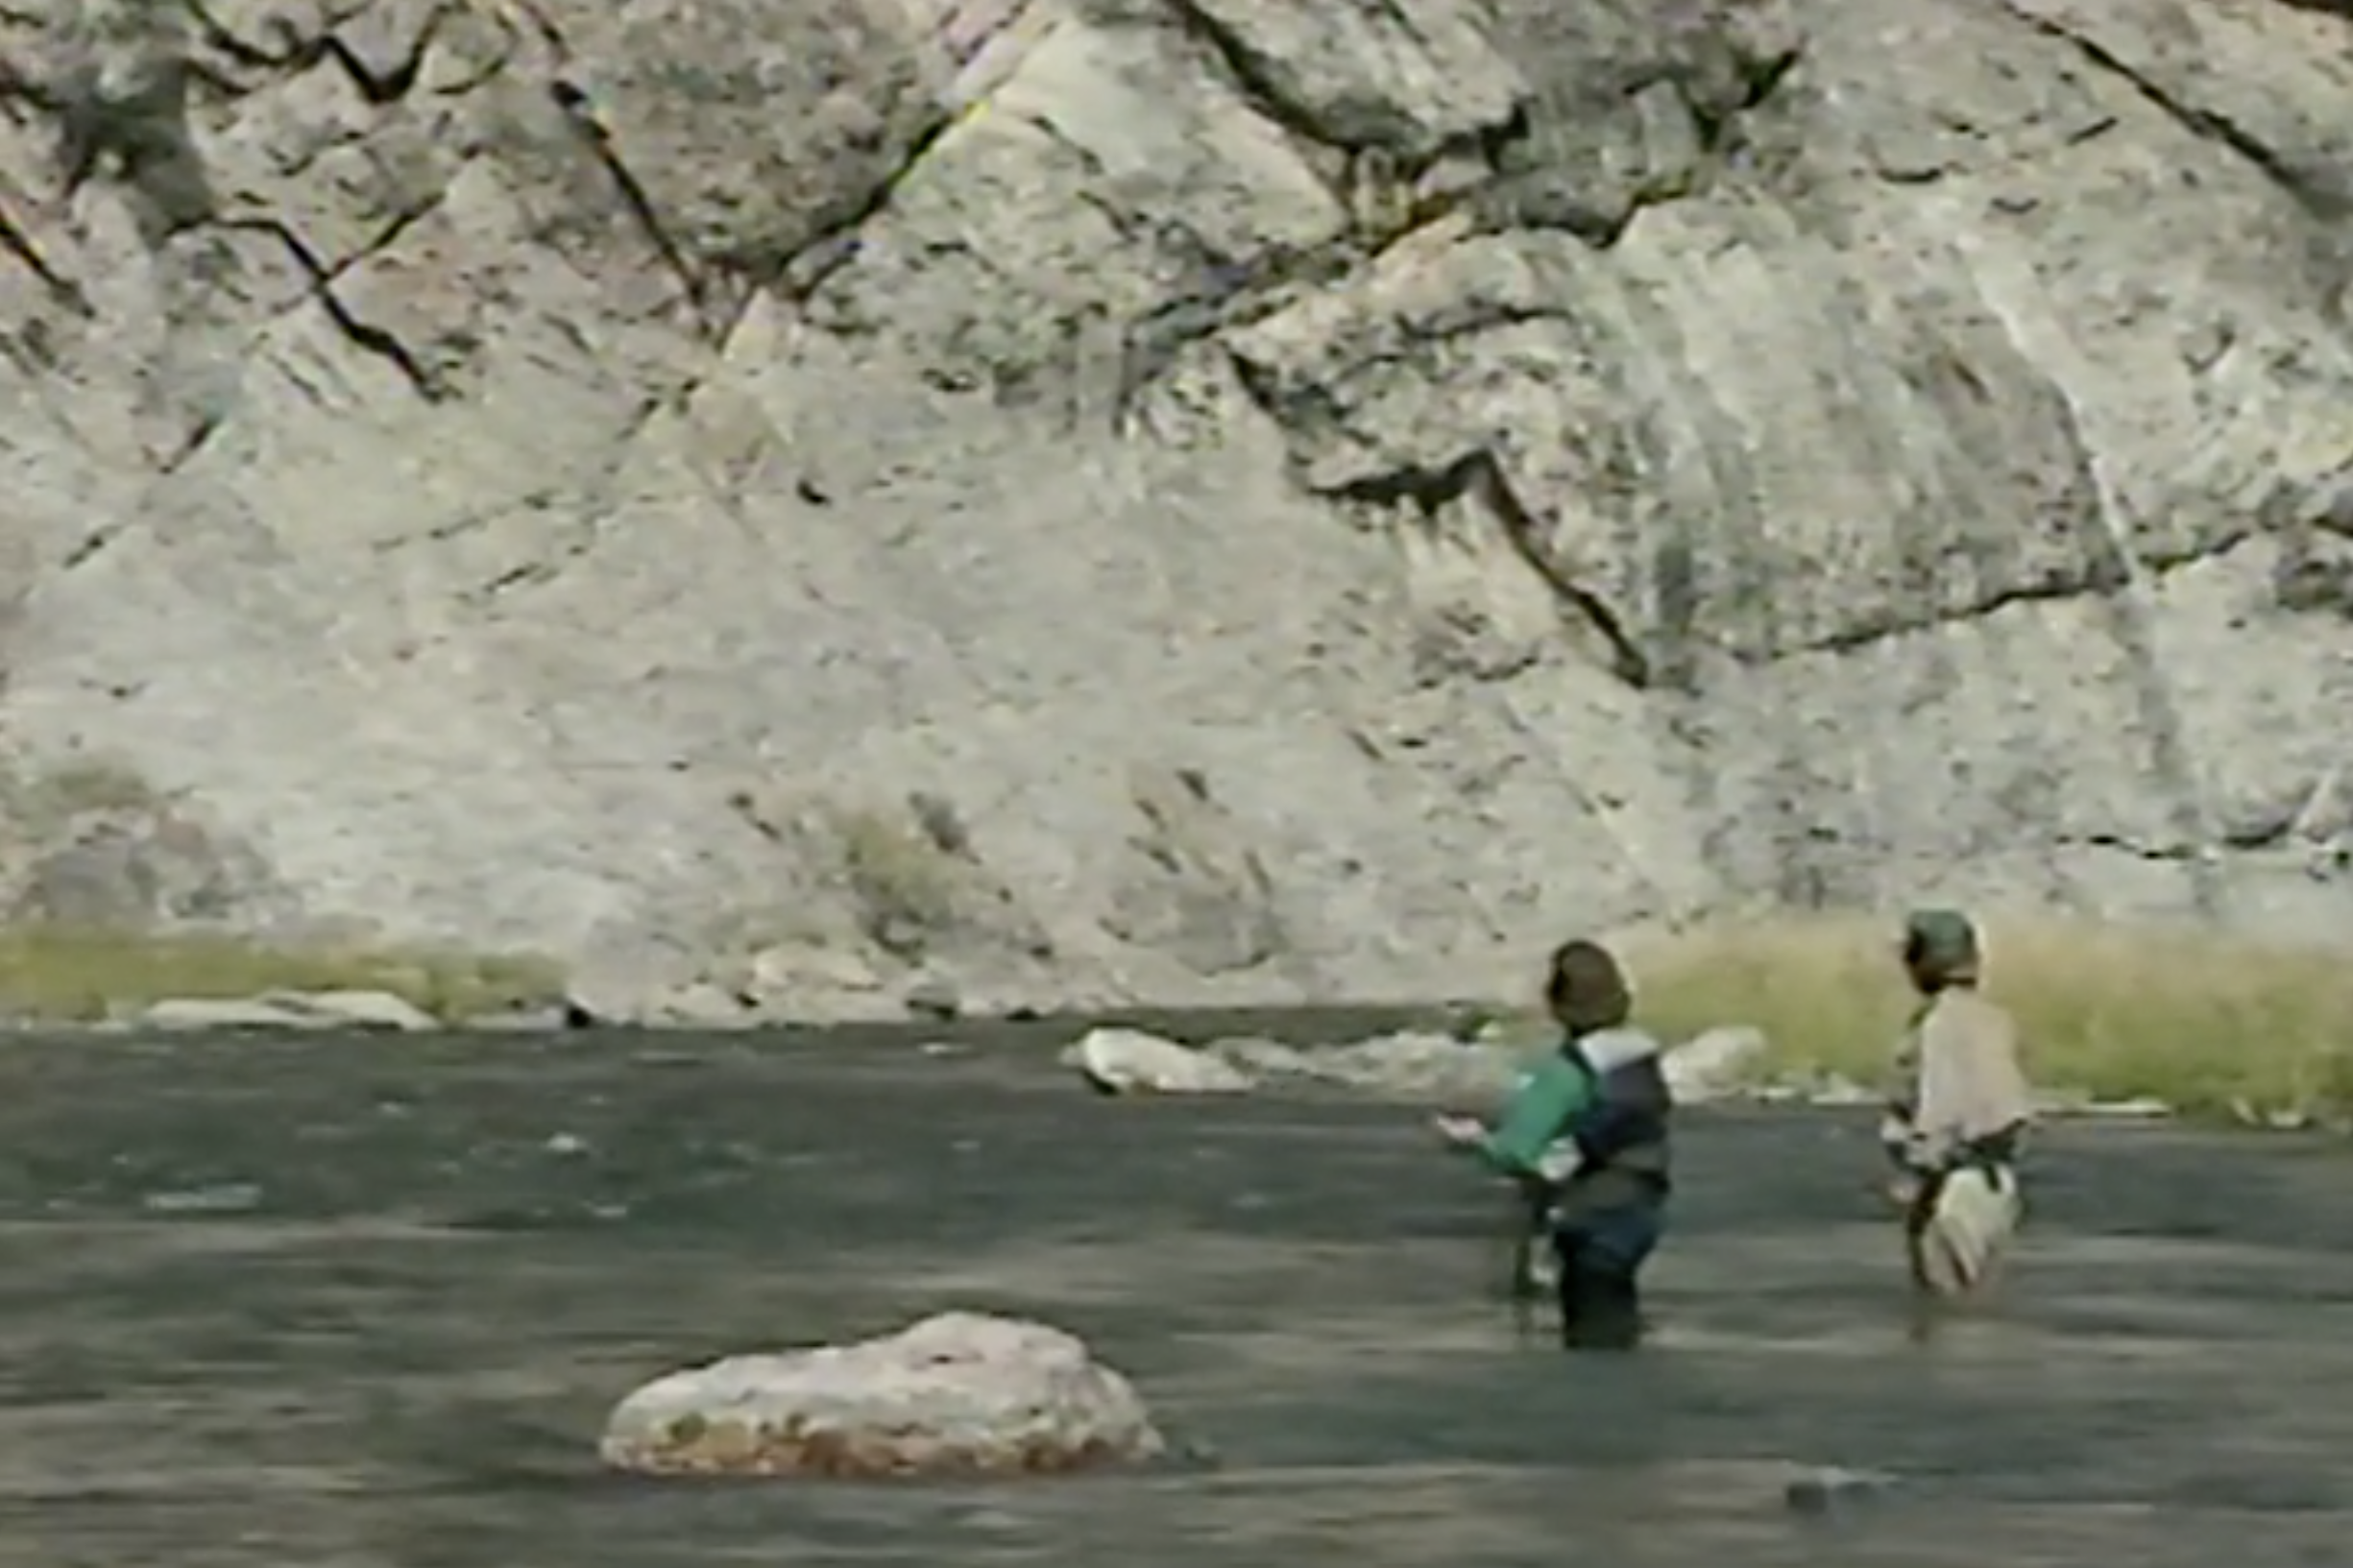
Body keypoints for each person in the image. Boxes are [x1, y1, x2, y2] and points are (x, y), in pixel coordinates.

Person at [1433, 939, 1672, 1350]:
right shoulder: (1639, 1061)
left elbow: (1515, 1153)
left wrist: (1469, 1141)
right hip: (1639, 1216)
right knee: (1618, 1323)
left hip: (1587, 1221)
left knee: (1589, 1337)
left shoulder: (1565, 1073)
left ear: (1558, 1003)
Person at [1880, 908, 2035, 1303]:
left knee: (1947, 1314)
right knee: (1979, 1310)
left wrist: (1916, 1174)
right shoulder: (1995, 1019)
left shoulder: (1939, 1025)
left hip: (1950, 1185)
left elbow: (1942, 1103)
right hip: (1997, 1184)